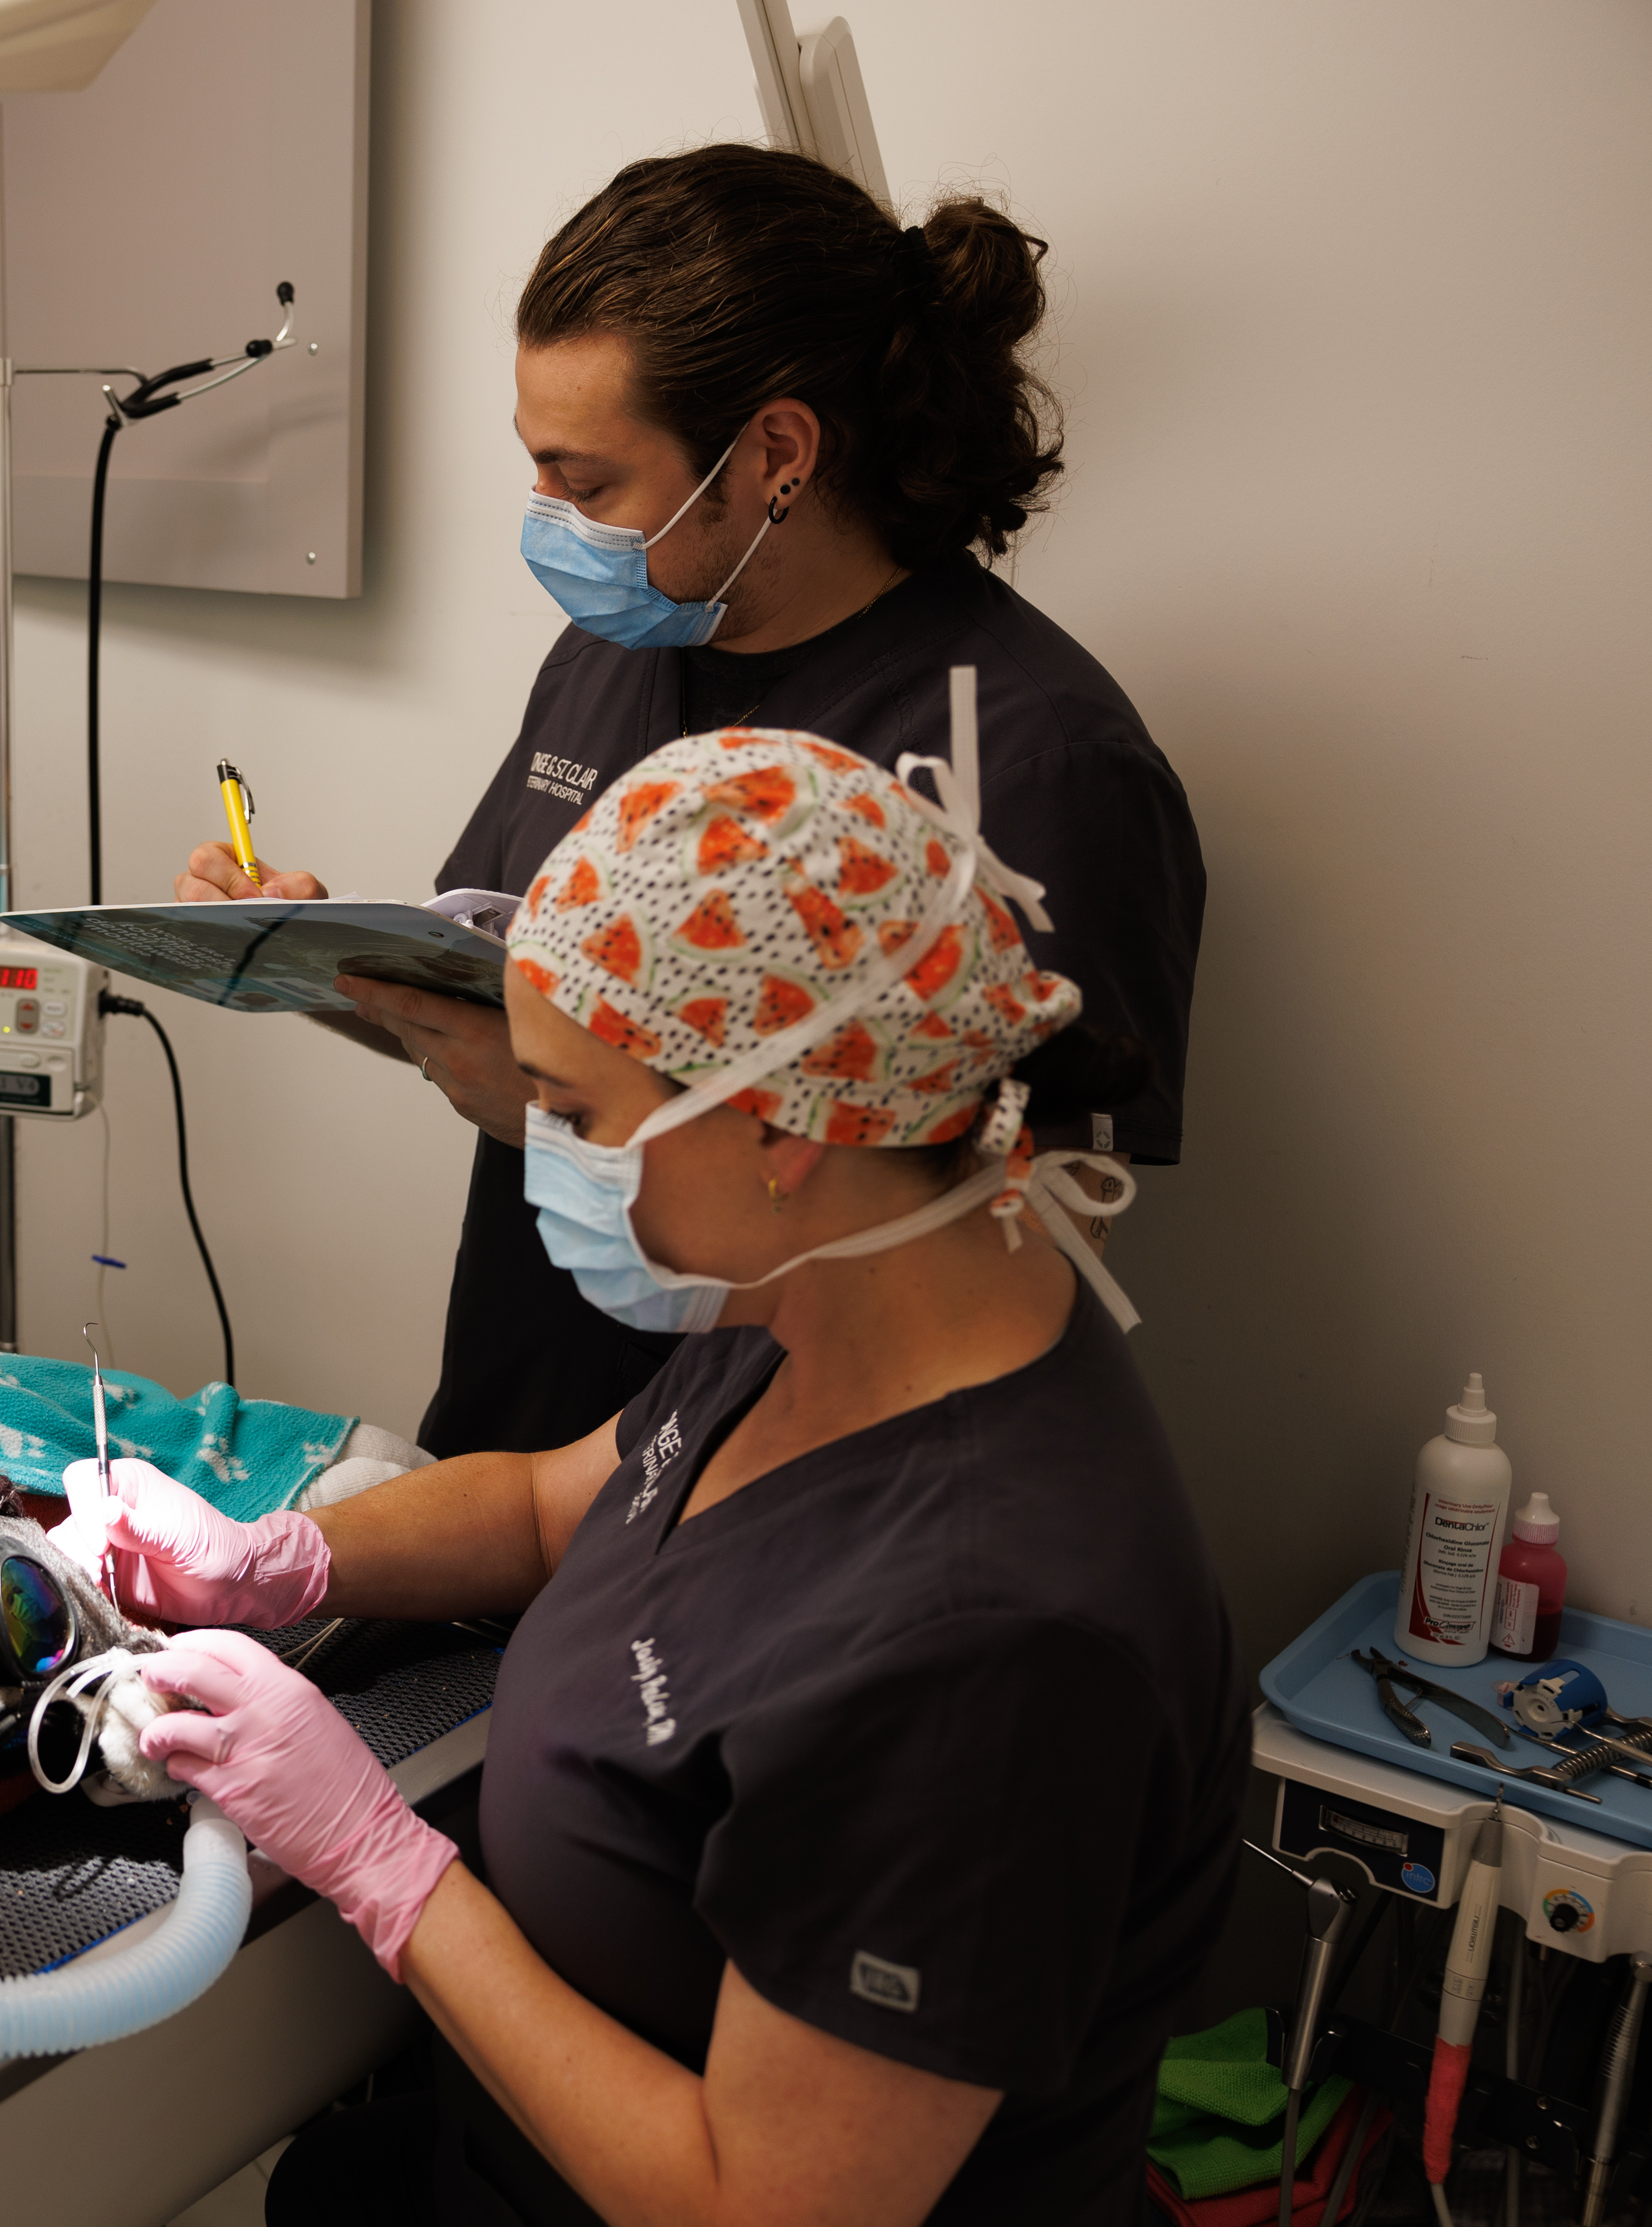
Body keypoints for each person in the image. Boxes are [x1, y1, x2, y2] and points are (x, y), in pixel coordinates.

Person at [99, 726, 1245, 2224]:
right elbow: (545, 1508)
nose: (550, 1156)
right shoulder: (824, 1304)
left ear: (777, 1126)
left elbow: (756, 2206)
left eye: (573, 1115)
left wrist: (387, 1866)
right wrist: (287, 1562)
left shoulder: (992, 1645)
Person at [180, 145, 1204, 1458]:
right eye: (537, 466)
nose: (545, 516)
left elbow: (1036, 1249)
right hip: (520, 1435)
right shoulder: (620, 649)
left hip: (785, 1503)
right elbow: (528, 1009)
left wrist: (564, 1108)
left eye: (589, 480)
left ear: (775, 451)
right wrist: (328, 967)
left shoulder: (1032, 753)